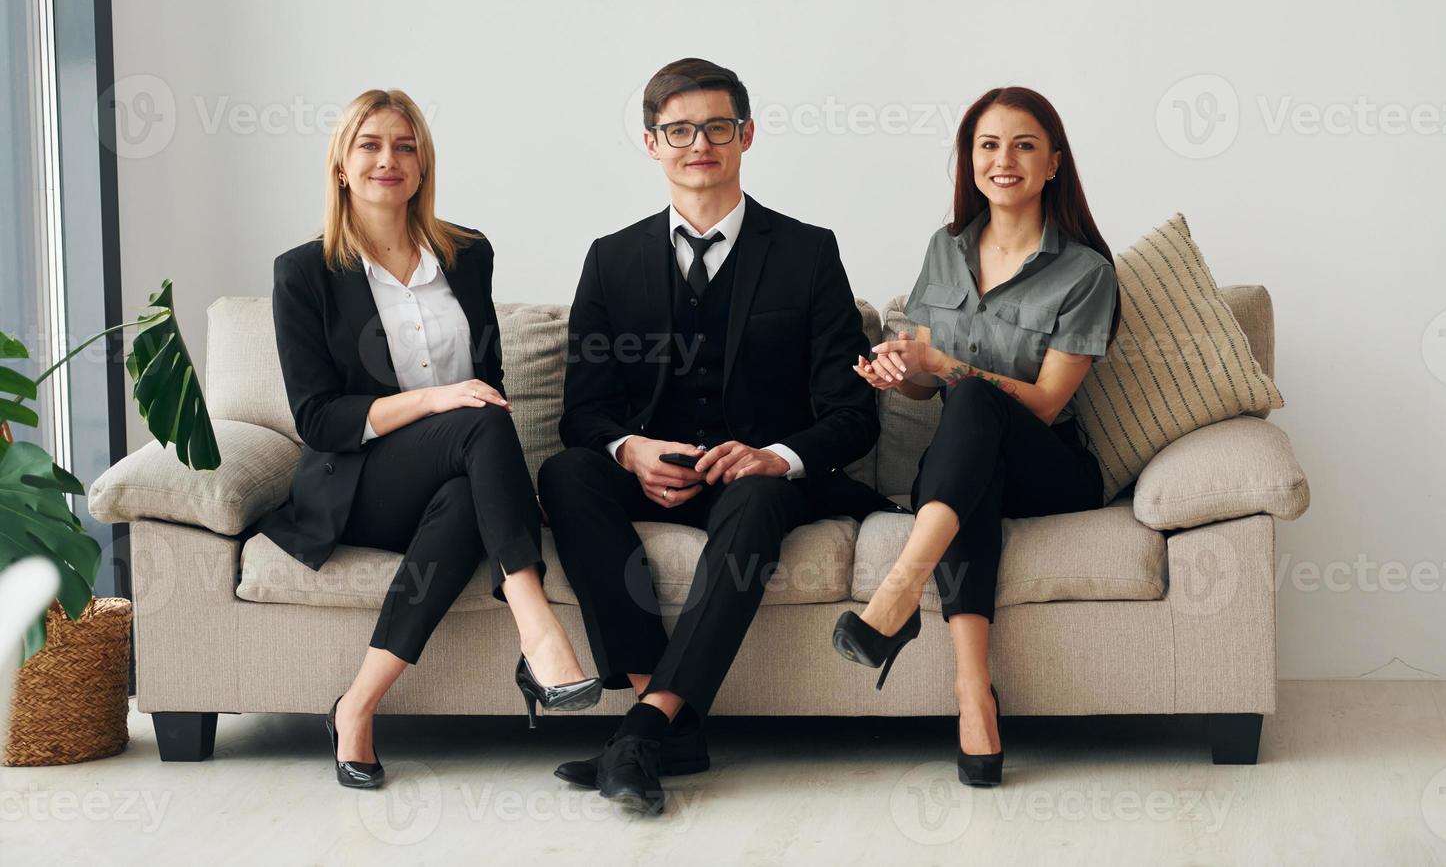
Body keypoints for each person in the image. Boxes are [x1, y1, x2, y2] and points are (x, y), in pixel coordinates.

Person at [538, 58, 893, 815]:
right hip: (652, 479)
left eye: (717, 127)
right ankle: (663, 719)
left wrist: (778, 455)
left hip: (759, 485)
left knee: (761, 495)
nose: (699, 143)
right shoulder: (611, 258)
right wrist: (630, 451)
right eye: (679, 129)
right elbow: (583, 410)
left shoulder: (807, 253)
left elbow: (853, 414)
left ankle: (638, 733)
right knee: (567, 474)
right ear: (651, 143)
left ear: (747, 135)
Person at [256, 89, 601, 790]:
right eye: (371, 145)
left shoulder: (466, 254)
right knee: (478, 416)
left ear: (423, 166)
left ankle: (357, 706)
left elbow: (491, 373)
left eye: (405, 146)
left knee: (467, 488)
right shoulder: (304, 272)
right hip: (359, 484)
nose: (390, 159)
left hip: (457, 474)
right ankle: (536, 628)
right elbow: (319, 419)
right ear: (343, 166)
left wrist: (497, 471)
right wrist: (436, 398)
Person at [835, 86, 1120, 789]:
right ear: (969, 161)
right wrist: (896, 371)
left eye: (1024, 144)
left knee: (975, 402)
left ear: (1054, 162)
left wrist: (946, 367)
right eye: (988, 145)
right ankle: (973, 698)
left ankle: (901, 592)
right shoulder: (946, 249)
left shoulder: (1085, 272)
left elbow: (1050, 404)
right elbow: (924, 381)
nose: (1004, 160)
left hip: (1051, 471)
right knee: (965, 459)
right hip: (968, 470)